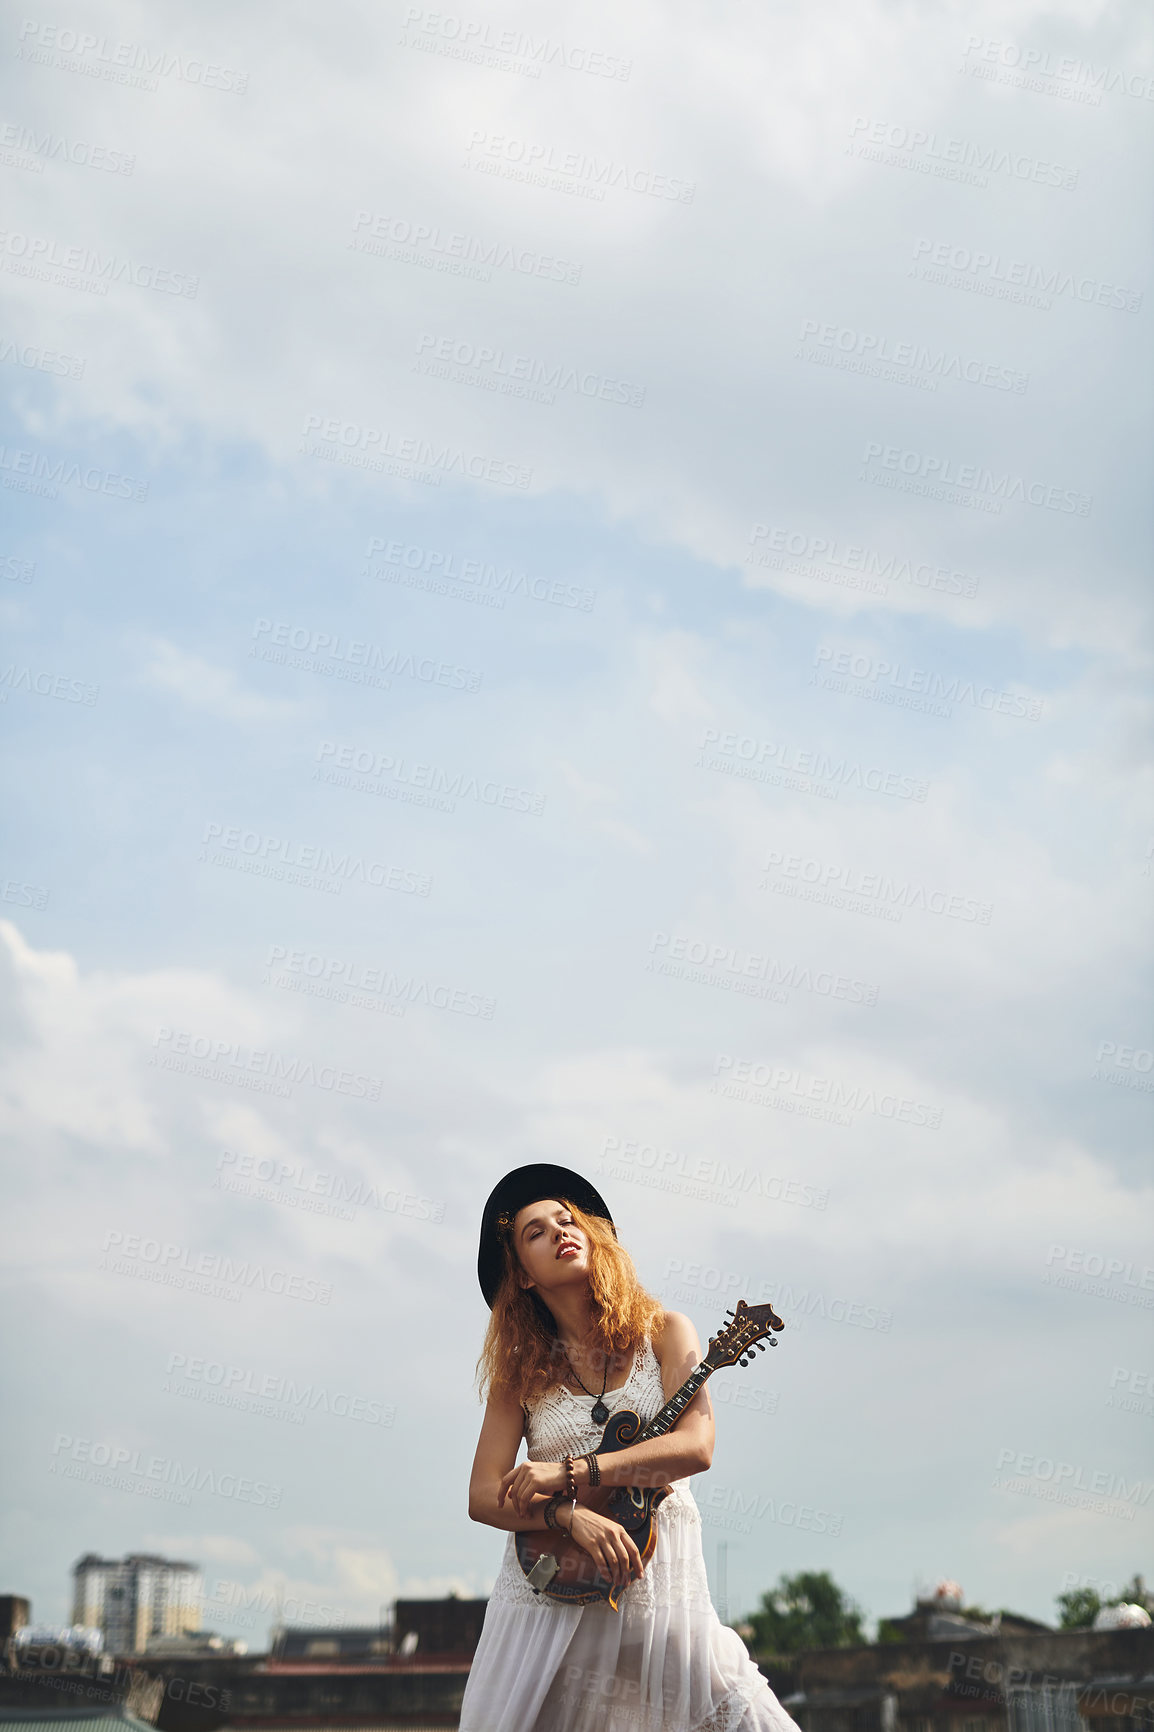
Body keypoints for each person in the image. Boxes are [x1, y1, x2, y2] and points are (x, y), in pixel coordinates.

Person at [459, 1162, 803, 1732]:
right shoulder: (517, 1376)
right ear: (522, 1276)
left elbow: (696, 1446)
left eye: (568, 1221)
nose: (560, 1232)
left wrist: (571, 1471)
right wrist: (567, 1515)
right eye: (536, 1232)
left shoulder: (665, 1332)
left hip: (660, 1588)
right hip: (550, 1592)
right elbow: (480, 1494)